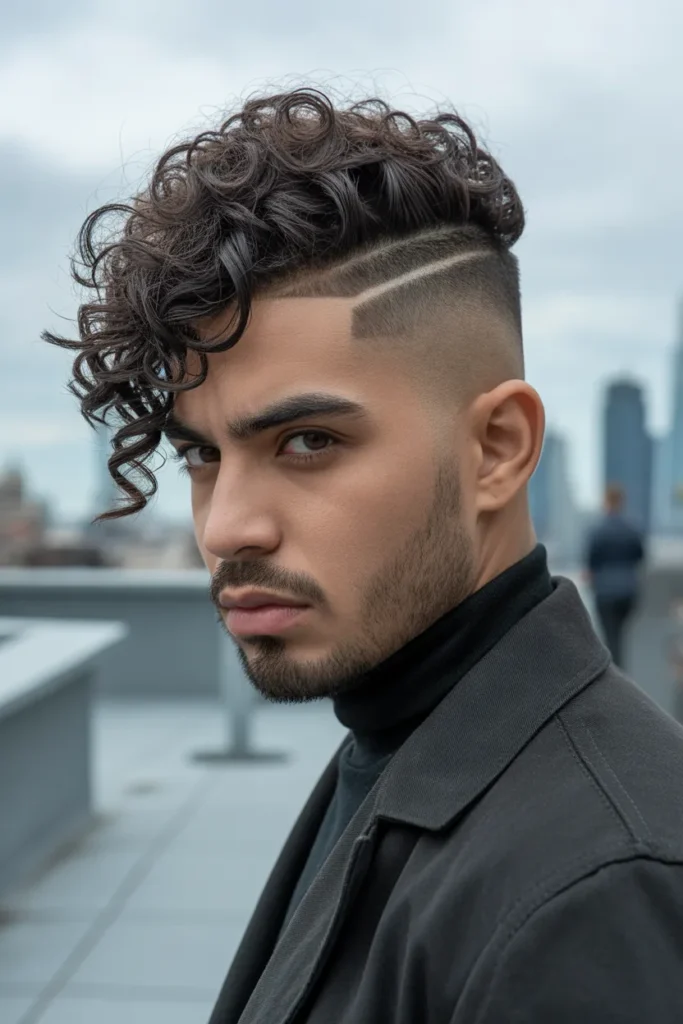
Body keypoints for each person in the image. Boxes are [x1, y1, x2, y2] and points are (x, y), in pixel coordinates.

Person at [44, 89, 683, 1022]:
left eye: (307, 442)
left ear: (497, 449)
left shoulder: (593, 892)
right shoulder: (407, 734)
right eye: (201, 454)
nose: (225, 528)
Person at [585, 483, 645, 668]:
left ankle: (616, 676)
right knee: (620, 635)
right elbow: (640, 556)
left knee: (611, 637)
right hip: (629, 591)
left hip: (605, 592)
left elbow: (591, 562)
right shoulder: (632, 529)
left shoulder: (598, 530)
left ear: (606, 502)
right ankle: (621, 671)